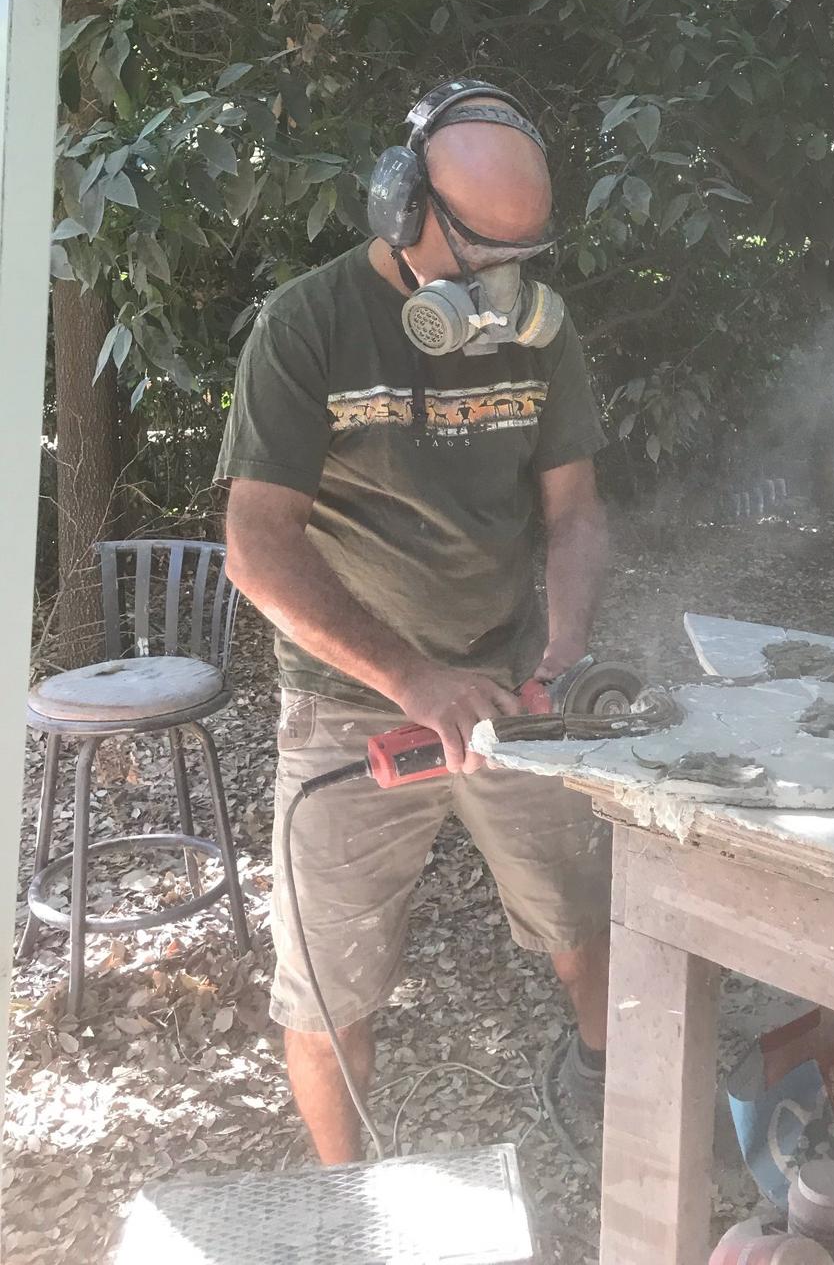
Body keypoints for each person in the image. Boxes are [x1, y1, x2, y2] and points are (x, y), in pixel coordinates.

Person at [215, 81, 611, 1164]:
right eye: (482, 253)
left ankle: (602, 1070)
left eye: (523, 255)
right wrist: (411, 680)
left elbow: (574, 514)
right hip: (352, 708)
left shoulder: (539, 334)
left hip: (508, 680)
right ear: (402, 205)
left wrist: (564, 646)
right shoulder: (311, 325)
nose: (504, 283)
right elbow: (256, 545)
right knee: (329, 988)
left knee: (586, 920)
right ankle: (354, 1197)